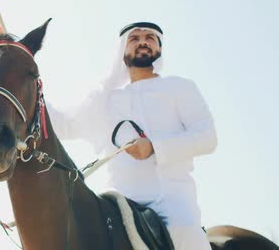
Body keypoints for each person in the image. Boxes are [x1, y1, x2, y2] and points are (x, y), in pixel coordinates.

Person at [47, 22, 216, 249]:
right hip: (120, 201)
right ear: (121, 50)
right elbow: (64, 126)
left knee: (186, 232)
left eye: (150, 38)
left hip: (172, 200)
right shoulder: (105, 100)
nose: (143, 41)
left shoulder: (180, 88)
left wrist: (154, 146)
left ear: (159, 48)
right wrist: (27, 85)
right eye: (134, 38)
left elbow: (207, 137)